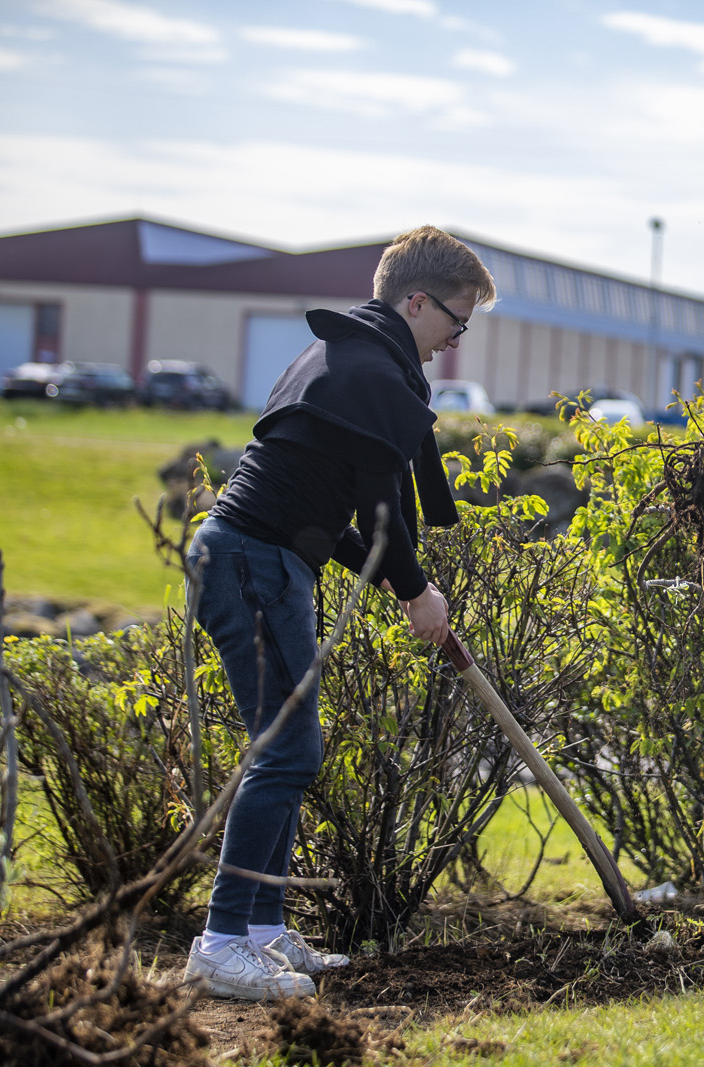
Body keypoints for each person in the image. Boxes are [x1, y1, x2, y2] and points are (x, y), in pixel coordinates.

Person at [182, 226, 495, 999]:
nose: (456, 341)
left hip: (254, 553)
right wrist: (418, 590)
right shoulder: (372, 376)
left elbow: (334, 517)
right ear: (415, 301)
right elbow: (383, 512)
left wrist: (402, 586)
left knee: (283, 749)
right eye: (457, 320)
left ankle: (260, 930)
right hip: (255, 560)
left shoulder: (341, 356)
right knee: (287, 751)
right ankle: (222, 941)